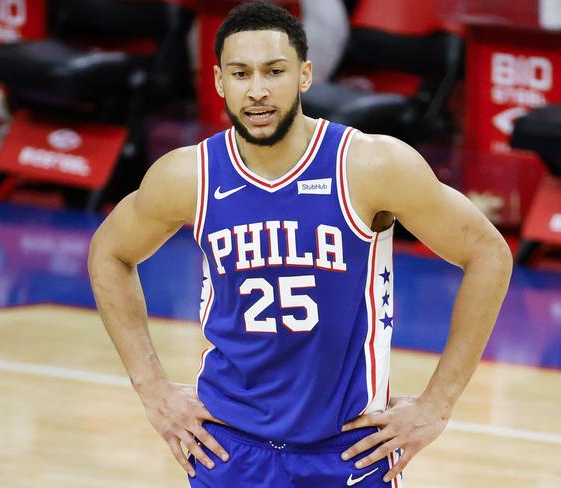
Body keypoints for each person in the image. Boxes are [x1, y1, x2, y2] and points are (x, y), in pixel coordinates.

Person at [88, 2, 512, 486]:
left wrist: (438, 405)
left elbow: (488, 254)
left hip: (349, 450)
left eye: (275, 71)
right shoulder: (190, 175)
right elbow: (110, 251)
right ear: (219, 81)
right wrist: (152, 389)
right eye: (241, 73)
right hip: (228, 449)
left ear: (306, 75)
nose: (258, 90)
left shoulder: (370, 166)